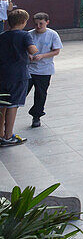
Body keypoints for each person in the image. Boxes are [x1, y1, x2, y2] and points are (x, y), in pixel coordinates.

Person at [0, 9, 37, 146]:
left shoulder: (2, 35)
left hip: (2, 74)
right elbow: (32, 50)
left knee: (2, 104)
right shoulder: (24, 35)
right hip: (18, 75)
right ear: (23, 22)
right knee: (13, 105)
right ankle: (8, 136)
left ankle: (1, 134)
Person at [27, 13, 61, 129]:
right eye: (36, 24)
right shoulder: (29, 34)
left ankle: (36, 116)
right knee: (22, 92)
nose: (38, 26)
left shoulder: (52, 34)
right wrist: (28, 56)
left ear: (47, 22)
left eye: (41, 23)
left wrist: (42, 56)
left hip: (44, 70)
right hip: (29, 69)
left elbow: (56, 51)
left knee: (40, 95)